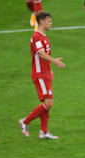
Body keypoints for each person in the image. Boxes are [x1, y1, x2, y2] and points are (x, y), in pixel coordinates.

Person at [19, 11, 65, 139]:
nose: (51, 23)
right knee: (49, 103)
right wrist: (55, 61)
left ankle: (43, 132)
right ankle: (25, 121)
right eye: (49, 21)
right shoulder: (36, 37)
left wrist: (50, 70)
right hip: (39, 75)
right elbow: (41, 54)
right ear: (42, 21)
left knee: (46, 104)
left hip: (45, 74)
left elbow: (44, 58)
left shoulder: (44, 37)